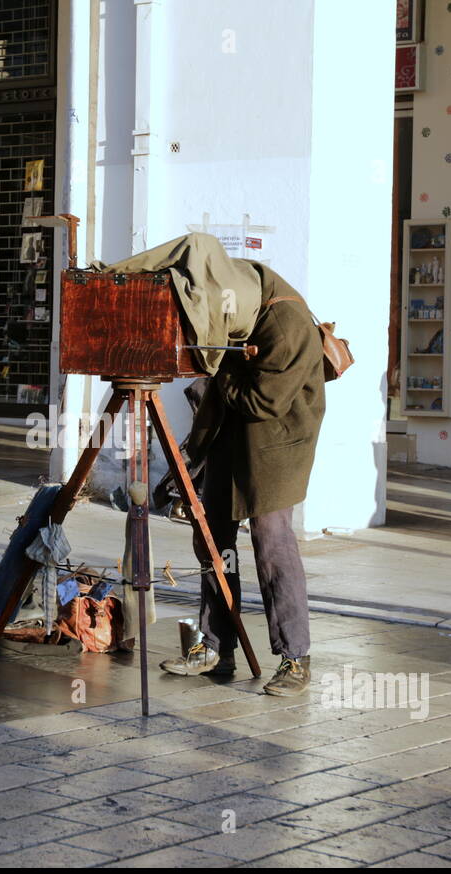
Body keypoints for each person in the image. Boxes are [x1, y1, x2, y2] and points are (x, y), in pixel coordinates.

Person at [152, 241, 327, 696]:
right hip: (231, 438)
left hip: (279, 446)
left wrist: (220, 371)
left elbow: (263, 401)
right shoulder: (241, 292)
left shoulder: (286, 326)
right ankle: (214, 646)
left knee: (272, 545)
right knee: (213, 541)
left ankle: (294, 658)